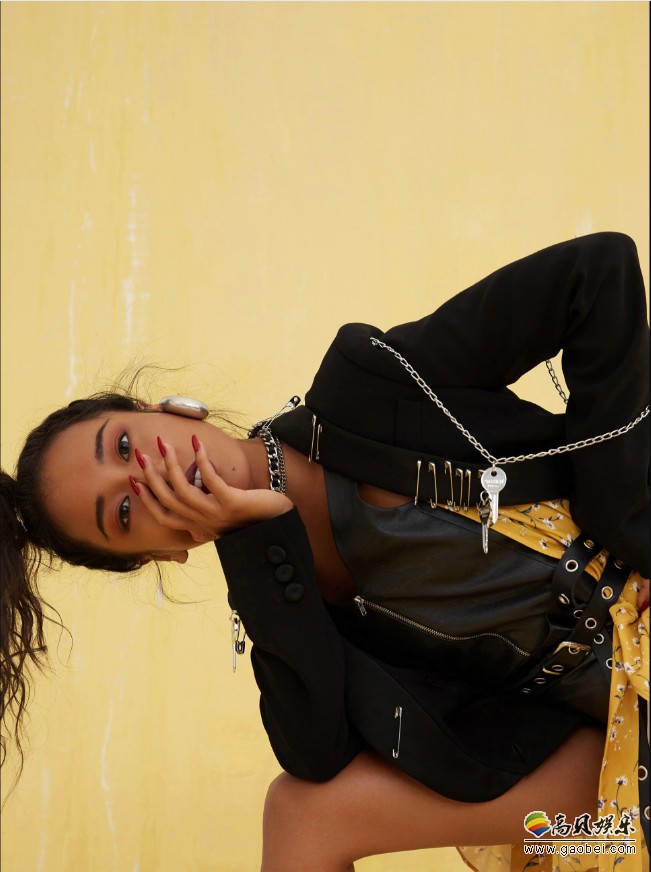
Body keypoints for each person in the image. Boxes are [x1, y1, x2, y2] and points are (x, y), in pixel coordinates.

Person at [1, 232, 649, 872]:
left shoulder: (366, 389)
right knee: (299, 813)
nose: (146, 478)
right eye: (121, 513)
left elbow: (596, 271)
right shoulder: (281, 591)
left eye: (122, 446)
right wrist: (259, 536)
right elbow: (316, 756)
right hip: (616, 747)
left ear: (165, 409)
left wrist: (632, 531)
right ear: (159, 554)